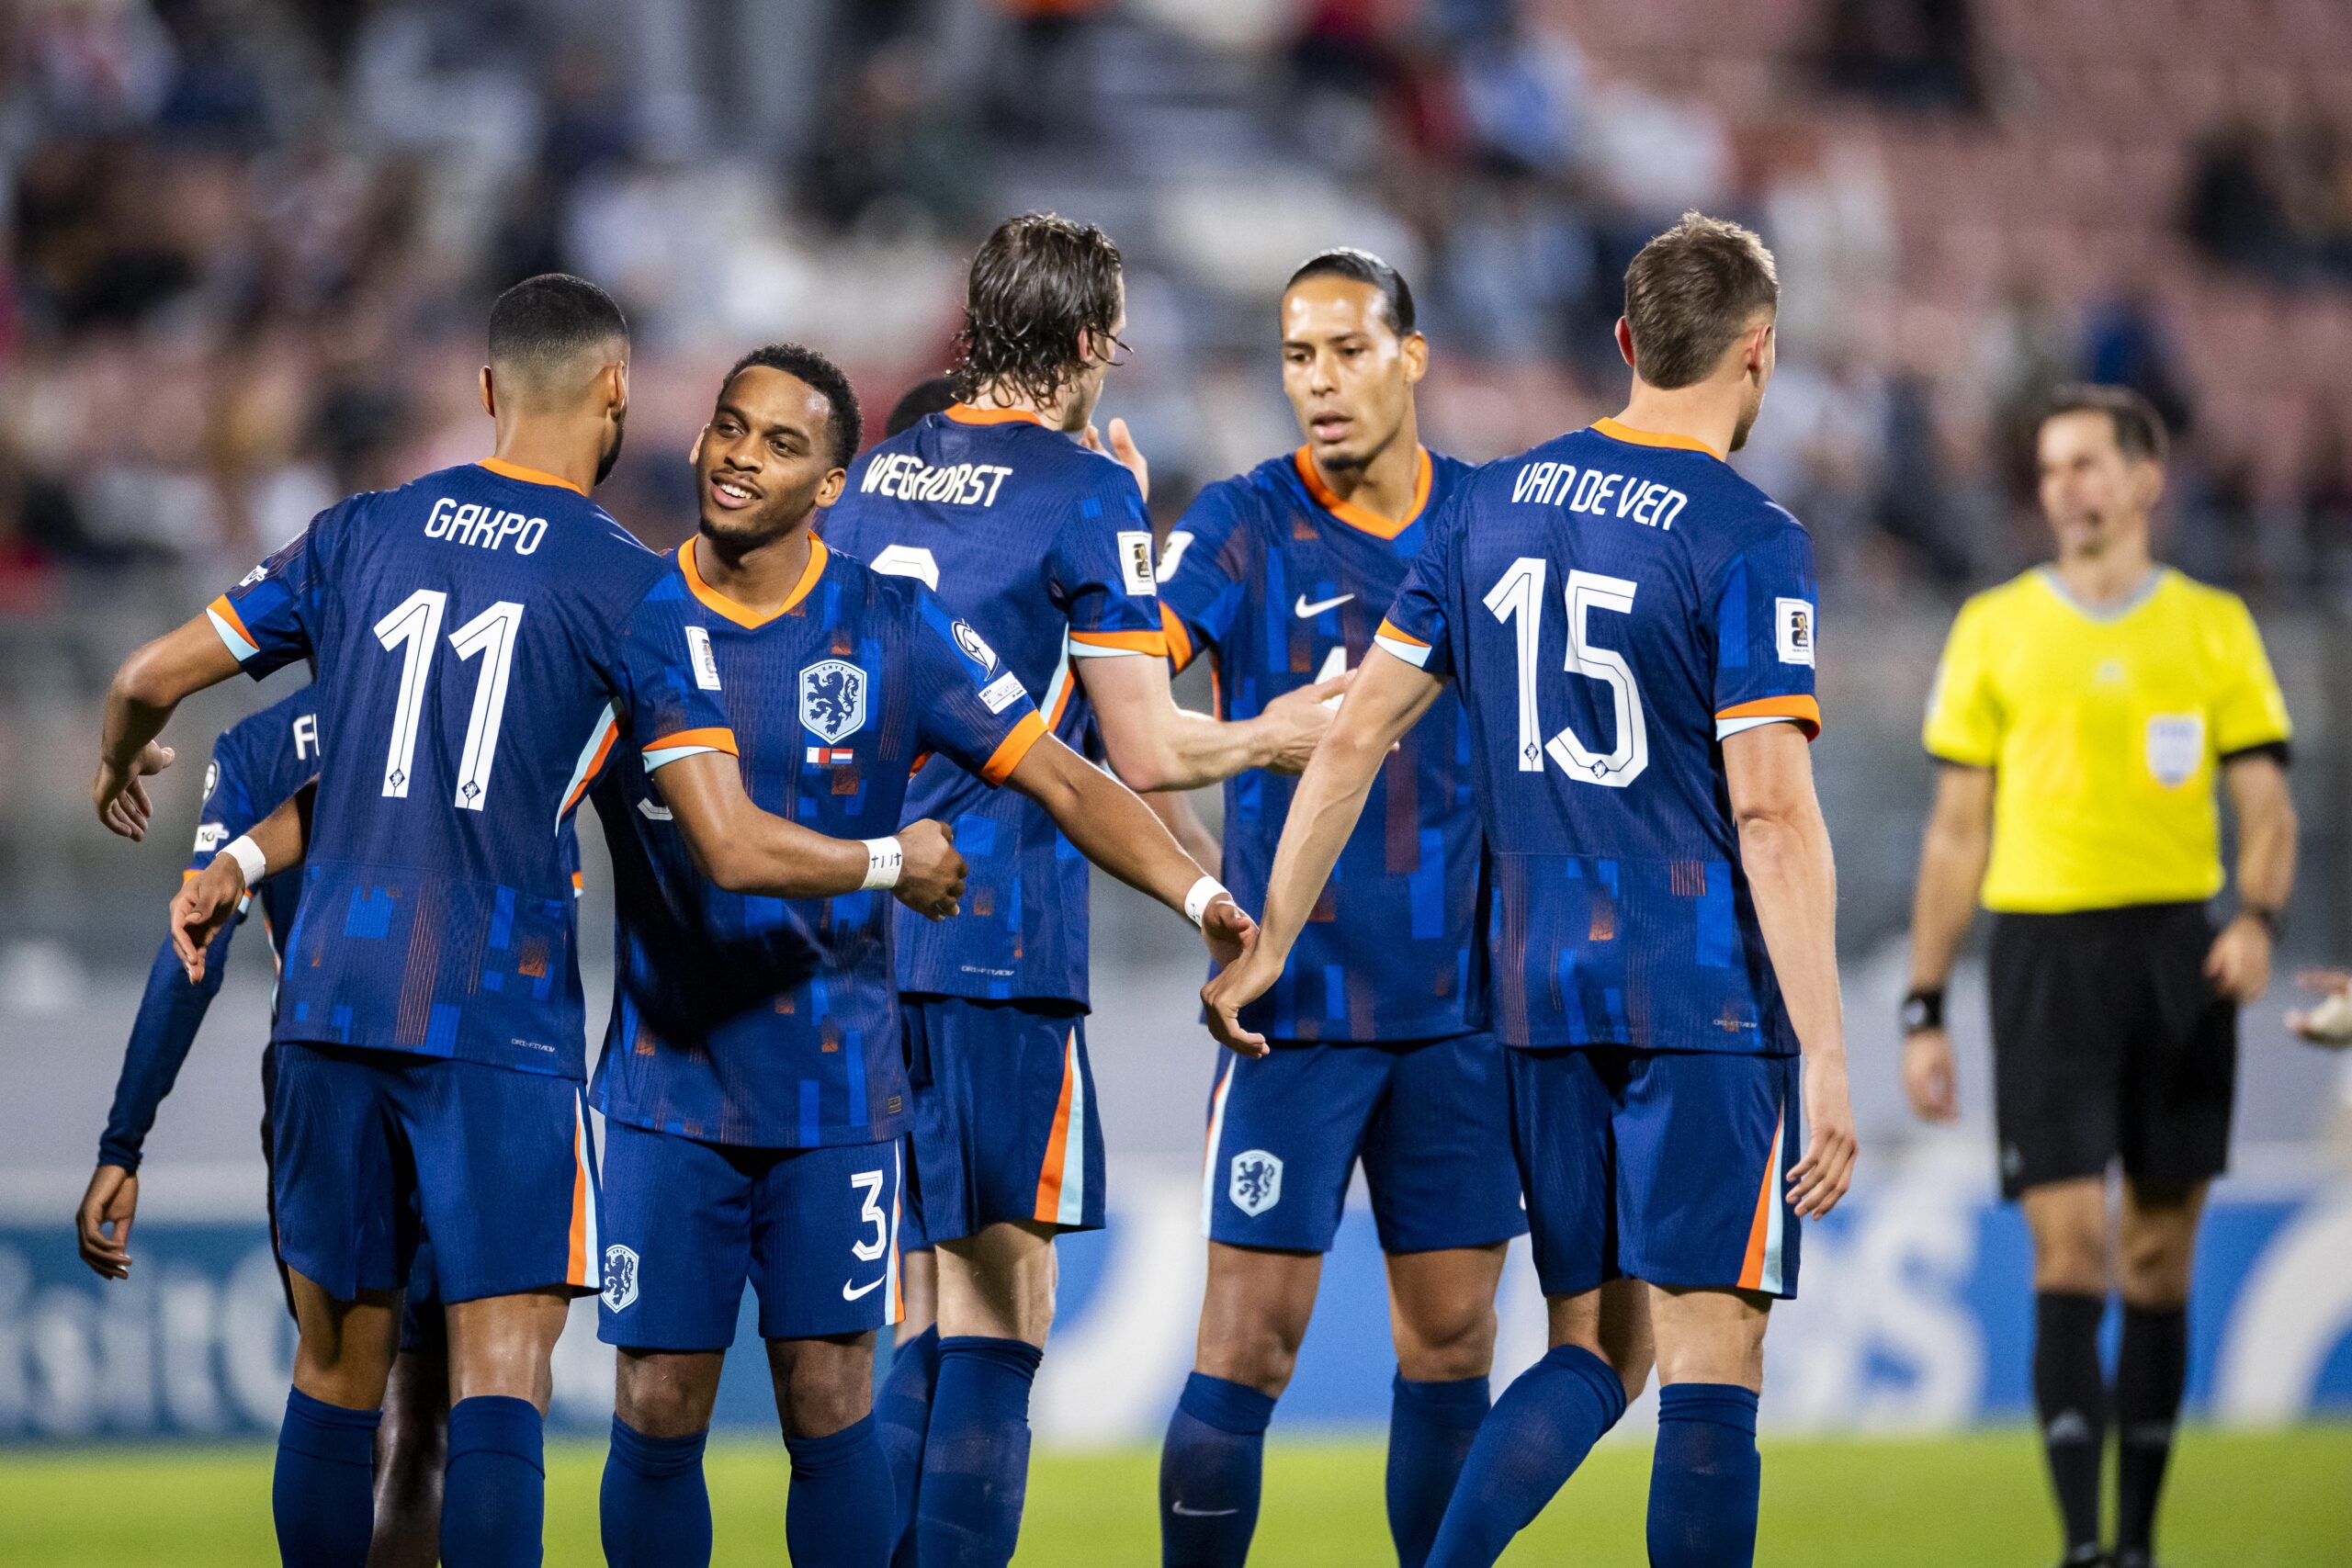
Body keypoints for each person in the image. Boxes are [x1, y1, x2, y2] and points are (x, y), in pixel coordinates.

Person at [98, 272, 964, 1568]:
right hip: (492, 1009)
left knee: (335, 1369)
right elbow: (721, 836)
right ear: (617, 396)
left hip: (329, 997)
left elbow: (147, 677)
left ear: (490, 388)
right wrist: (894, 856)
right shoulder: (633, 590)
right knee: (499, 1366)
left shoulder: (359, 530)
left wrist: (133, 760)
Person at [1204, 211, 1859, 1568]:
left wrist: (1270, 935)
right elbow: (1774, 814)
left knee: (1598, 1346)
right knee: (1709, 1359)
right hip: (1699, 987)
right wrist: (1831, 1055)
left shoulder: (1488, 504)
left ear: (1625, 343)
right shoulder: (1750, 535)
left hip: (1533, 985)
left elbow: (1351, 732)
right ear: (1761, 352)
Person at [589, 344, 1253, 1568]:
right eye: (730, 427)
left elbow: (1062, 769)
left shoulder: (894, 624)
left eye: (781, 441)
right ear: (696, 440)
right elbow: (693, 836)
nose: (741, 454)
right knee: (660, 1405)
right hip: (668, 1078)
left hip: (838, 1080)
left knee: (835, 1404)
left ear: (836, 482)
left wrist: (1201, 890)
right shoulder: (628, 613)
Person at [822, 211, 1336, 1568]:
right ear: (1092, 340)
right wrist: (1284, 733)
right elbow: (1150, 743)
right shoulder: (1085, 496)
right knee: (1007, 1304)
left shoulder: (873, 480)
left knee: (926, 1300)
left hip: (867, 930)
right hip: (997, 932)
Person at [1147, 249, 1521, 1568]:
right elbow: (1122, 705)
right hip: (1288, 1006)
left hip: (1461, 1013)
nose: (1320, 380)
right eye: (1299, 355)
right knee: (1245, 1344)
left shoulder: (1492, 523)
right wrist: (1245, 762)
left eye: (1348, 350)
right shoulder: (1240, 523)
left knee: (1454, 1341)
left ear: (1412, 357)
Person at [1901, 384, 2297, 1568]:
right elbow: (1953, 835)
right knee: (2068, 1248)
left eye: (2084, 464)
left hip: (2179, 957)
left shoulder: (2214, 627)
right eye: (2048, 467)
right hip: (2042, 961)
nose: (2062, 486)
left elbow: (2266, 808)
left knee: (2157, 1259)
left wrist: (2260, 917)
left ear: (2144, 479)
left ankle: (2139, 1540)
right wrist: (1925, 1005)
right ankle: (2082, 1546)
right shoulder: (1994, 627)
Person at [78, 692, 449, 1568]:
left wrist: (123, 1143)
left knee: (339, 1388)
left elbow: (193, 950)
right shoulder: (470, 703)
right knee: (428, 1409)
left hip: (317, 1081)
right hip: (464, 1066)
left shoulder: (258, 746)